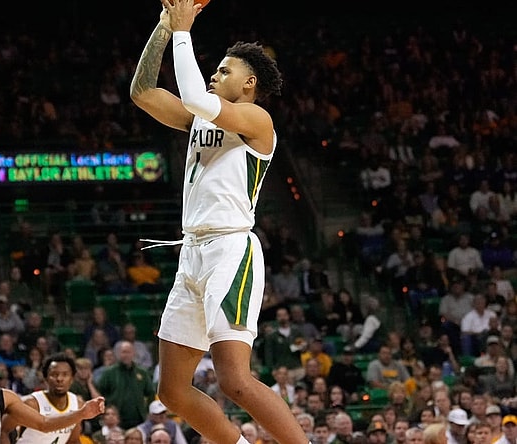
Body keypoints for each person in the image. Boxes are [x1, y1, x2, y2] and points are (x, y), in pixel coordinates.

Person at [129, 2, 305, 444]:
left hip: (230, 250)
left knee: (235, 381)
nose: (213, 75)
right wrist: (165, 26)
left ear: (249, 83)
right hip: (191, 252)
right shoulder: (198, 119)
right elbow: (142, 90)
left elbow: (193, 96)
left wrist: (185, 31)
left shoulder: (256, 121)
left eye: (223, 71)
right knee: (171, 391)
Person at [0, 353, 86, 444]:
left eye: (65, 374)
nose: (60, 379)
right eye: (54, 374)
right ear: (46, 378)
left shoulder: (77, 404)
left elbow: (73, 441)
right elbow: (3, 430)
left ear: (72, 378)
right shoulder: (31, 403)